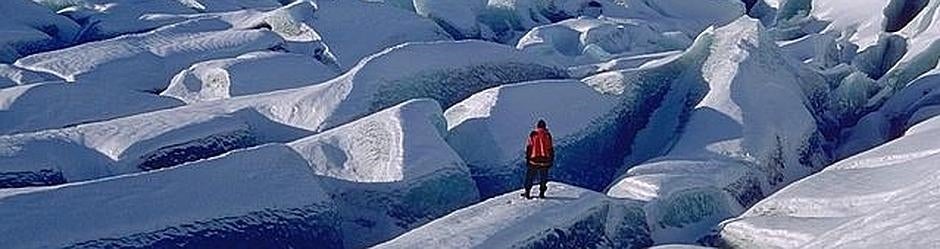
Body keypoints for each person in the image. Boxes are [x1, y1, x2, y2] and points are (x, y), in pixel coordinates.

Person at [522, 119, 554, 199]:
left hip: (534, 160)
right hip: (545, 161)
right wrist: (551, 160)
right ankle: (542, 193)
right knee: (543, 178)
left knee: (530, 177)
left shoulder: (533, 134)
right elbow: (550, 148)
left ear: (537, 126)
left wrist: (527, 159)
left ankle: (527, 193)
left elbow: (529, 148)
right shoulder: (547, 135)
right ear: (545, 126)